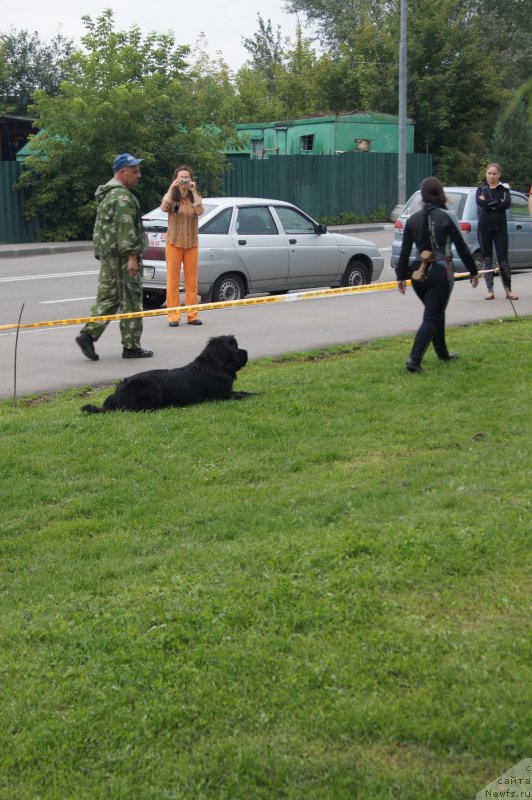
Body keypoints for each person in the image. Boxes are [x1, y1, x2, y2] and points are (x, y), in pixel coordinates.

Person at [396, 176, 479, 373]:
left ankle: (442, 353)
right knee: (432, 318)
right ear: (441, 193)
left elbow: (405, 252)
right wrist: (473, 271)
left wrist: (400, 277)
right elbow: (462, 247)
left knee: (436, 312)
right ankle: (414, 360)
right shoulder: (447, 216)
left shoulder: (412, 219)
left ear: (422, 196)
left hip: (418, 275)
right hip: (440, 274)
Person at [76, 153, 153, 361]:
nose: (139, 175)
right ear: (122, 172)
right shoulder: (122, 197)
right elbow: (125, 228)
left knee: (109, 298)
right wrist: (131, 257)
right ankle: (132, 346)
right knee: (131, 300)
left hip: (109, 256)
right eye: (134, 171)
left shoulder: (108, 194)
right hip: (122, 257)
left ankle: (88, 335)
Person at [161, 165, 204, 327]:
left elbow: (200, 211)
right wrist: (172, 188)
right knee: (172, 282)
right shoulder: (173, 196)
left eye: (187, 177)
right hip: (174, 243)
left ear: (191, 179)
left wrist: (194, 191)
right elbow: (164, 207)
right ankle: (173, 316)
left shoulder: (195, 196)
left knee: (191, 282)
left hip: (191, 244)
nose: (184, 180)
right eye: (181, 178)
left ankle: (192, 315)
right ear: (176, 179)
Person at [476, 163, 517, 301]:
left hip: (500, 229)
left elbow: (506, 204)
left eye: (494, 174)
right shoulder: (480, 189)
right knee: (487, 259)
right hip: (484, 228)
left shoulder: (504, 189)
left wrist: (488, 203)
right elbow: (479, 203)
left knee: (503, 259)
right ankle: (490, 290)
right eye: (489, 173)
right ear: (486, 174)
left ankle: (508, 289)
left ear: (499, 175)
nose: (491, 176)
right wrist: (496, 202)